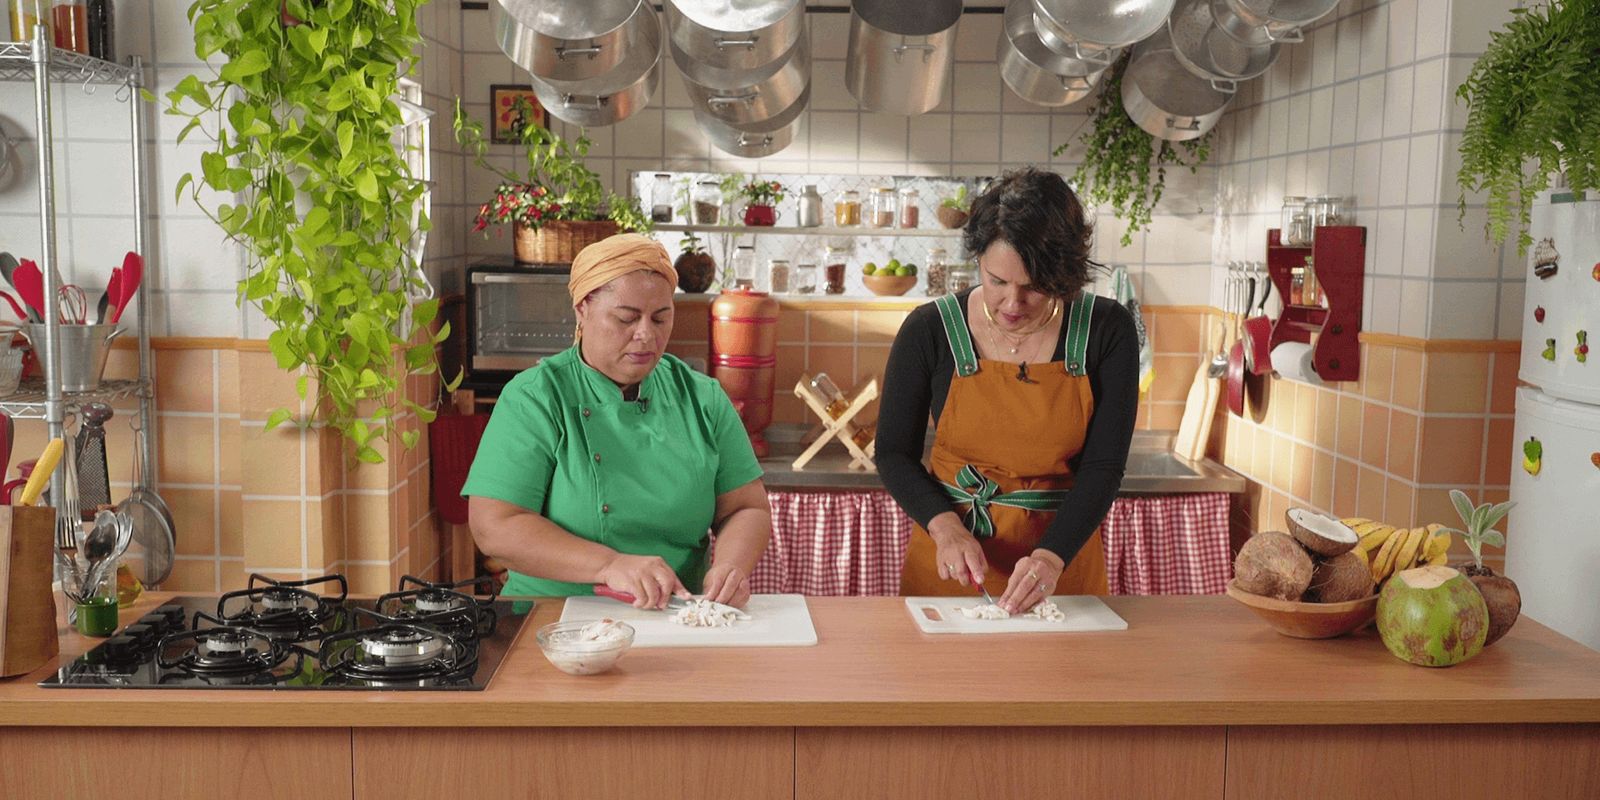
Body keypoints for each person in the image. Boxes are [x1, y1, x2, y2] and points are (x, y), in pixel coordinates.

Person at [877, 168, 1139, 613]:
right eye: (997, 281)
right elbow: (894, 453)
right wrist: (945, 528)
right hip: (954, 564)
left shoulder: (1106, 330)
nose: (1012, 304)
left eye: (1034, 287)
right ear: (978, 259)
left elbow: (1104, 467)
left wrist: (1050, 558)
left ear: (1065, 274)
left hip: (1061, 565)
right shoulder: (929, 329)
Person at [464, 233, 772, 609]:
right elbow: (494, 525)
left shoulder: (702, 397)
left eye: (660, 318)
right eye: (627, 318)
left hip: (677, 616)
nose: (646, 334)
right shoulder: (535, 397)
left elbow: (746, 507)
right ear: (583, 309)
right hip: (551, 618)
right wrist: (609, 565)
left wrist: (729, 567)